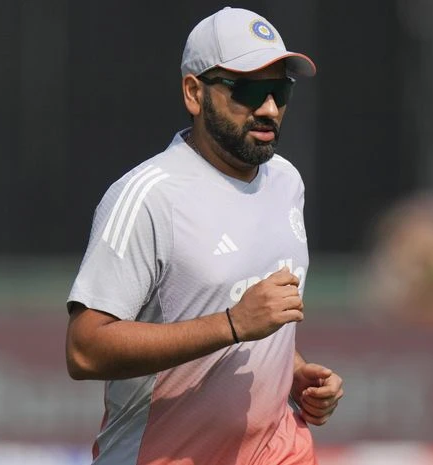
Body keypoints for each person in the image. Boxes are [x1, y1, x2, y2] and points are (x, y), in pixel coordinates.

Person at [65, 7, 344, 465]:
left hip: (278, 450)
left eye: (280, 91)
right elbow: (84, 350)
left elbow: (250, 317)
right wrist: (231, 325)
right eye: (248, 90)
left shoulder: (286, 182)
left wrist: (292, 373)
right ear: (195, 93)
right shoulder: (149, 196)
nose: (269, 109)